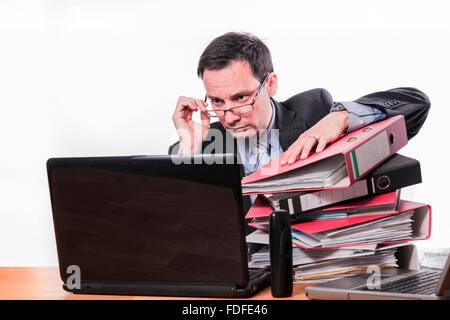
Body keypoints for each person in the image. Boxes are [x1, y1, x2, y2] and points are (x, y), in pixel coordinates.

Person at [169, 32, 430, 229]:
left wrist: (341, 117)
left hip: (324, 268)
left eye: (241, 98)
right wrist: (190, 155)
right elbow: (177, 229)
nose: (229, 116)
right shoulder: (202, 144)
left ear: (270, 84)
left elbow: (416, 104)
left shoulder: (315, 112)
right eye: (217, 101)